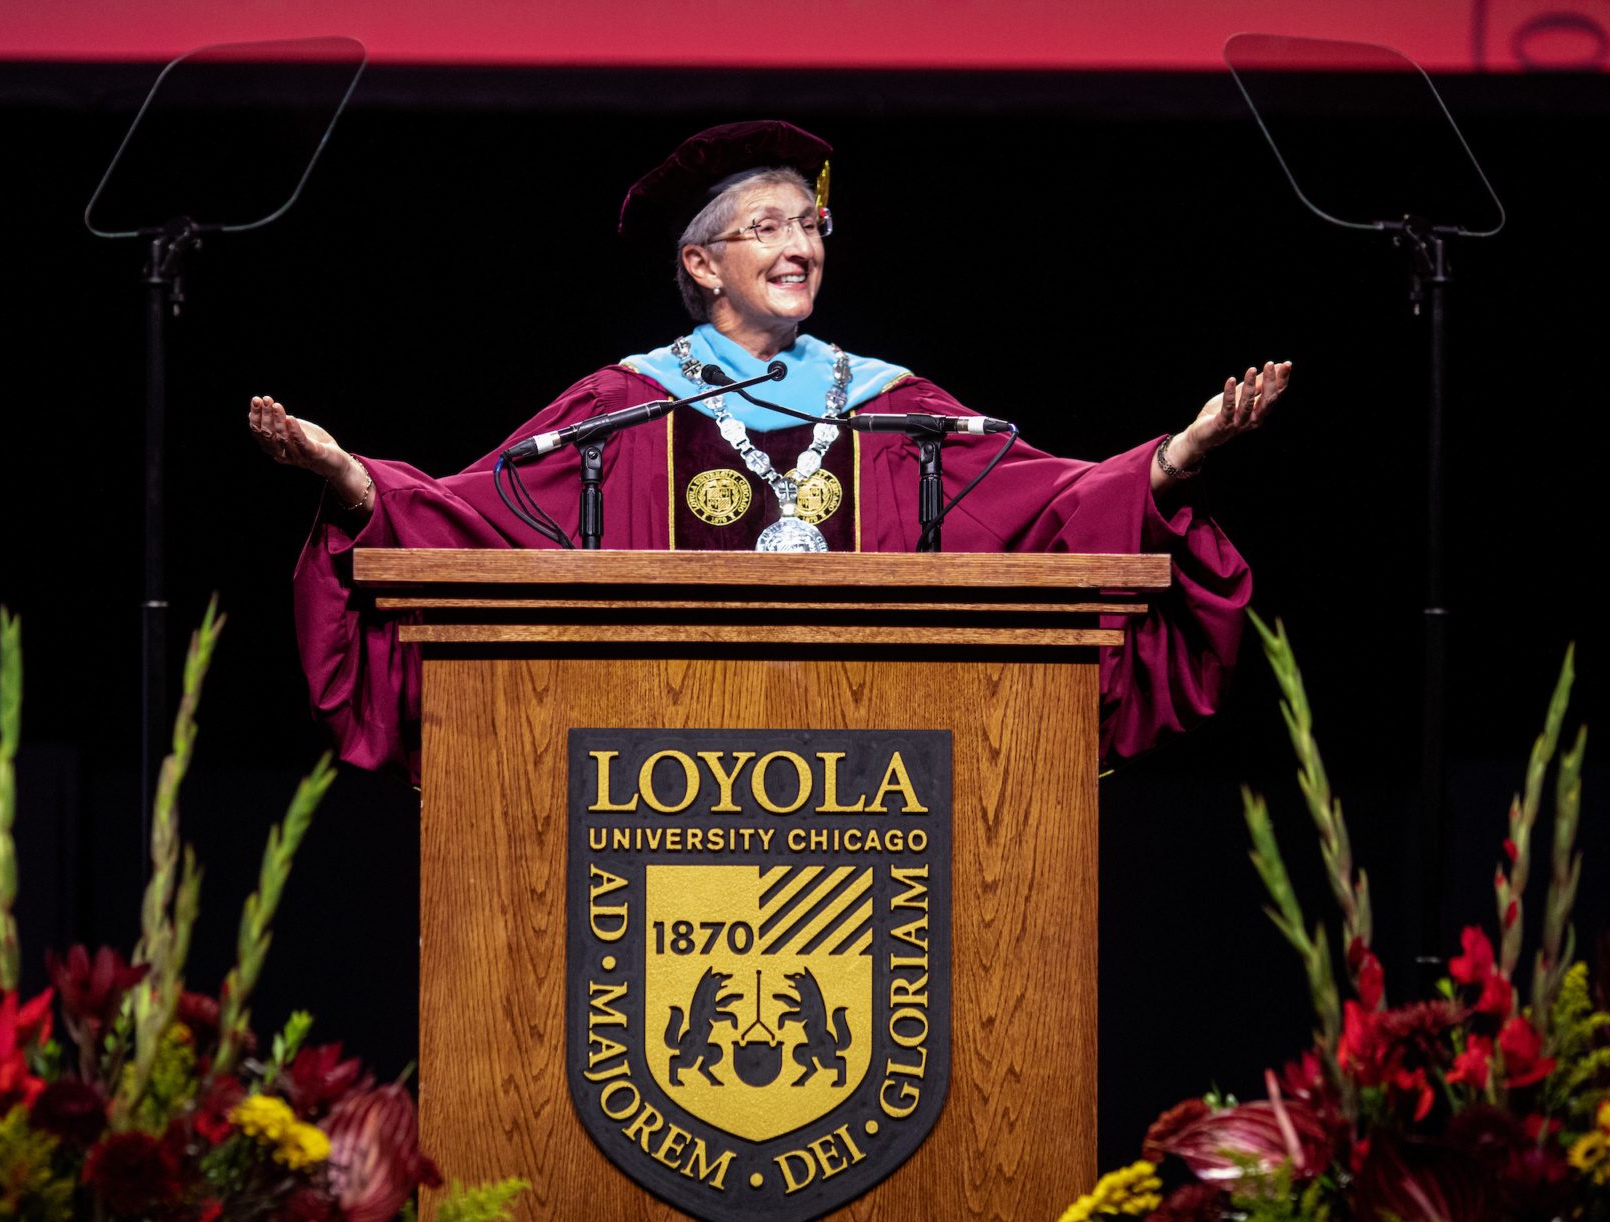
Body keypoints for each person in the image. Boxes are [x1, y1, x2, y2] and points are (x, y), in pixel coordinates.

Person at [248, 120, 1289, 777]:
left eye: (812, 225)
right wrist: (351, 480)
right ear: (701, 263)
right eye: (768, 228)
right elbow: (474, 521)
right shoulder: (621, 408)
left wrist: (1173, 460)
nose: (802, 247)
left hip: (875, 781)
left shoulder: (897, 410)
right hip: (654, 783)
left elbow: (1049, 503)